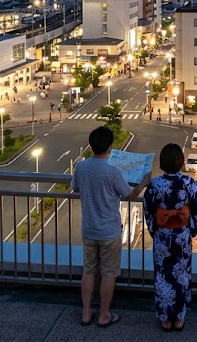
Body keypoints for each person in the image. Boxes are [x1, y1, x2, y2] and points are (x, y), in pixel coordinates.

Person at [71, 126, 152, 328]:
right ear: (110, 147)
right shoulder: (112, 171)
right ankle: (104, 315)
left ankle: (86, 313)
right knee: (108, 273)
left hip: (88, 229)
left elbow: (75, 187)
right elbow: (129, 195)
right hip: (109, 231)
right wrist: (143, 182)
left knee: (89, 271)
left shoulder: (81, 167)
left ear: (91, 145)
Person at [144, 143, 197, 332]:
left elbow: (148, 209)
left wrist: (154, 228)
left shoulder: (155, 185)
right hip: (182, 237)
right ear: (181, 161)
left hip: (163, 237)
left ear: (162, 162)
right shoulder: (188, 183)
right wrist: (191, 228)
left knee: (163, 275)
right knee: (181, 275)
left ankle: (165, 319)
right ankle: (179, 318)